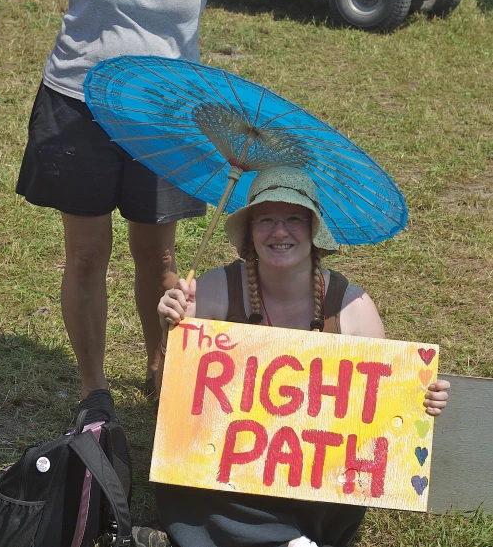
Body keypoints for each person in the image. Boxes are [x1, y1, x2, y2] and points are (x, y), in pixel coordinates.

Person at [11, 0, 275, 422]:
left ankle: (161, 366)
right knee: (85, 254)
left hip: (163, 116)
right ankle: (92, 387)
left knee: (158, 258)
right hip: (80, 104)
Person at [139, 166, 450, 547]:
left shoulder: (352, 306)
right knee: (192, 481)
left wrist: (421, 400)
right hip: (226, 478)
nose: (280, 231)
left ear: (313, 230)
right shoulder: (211, 291)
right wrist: (173, 336)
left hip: (315, 483)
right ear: (251, 232)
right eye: (266, 220)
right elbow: (171, 403)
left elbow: (383, 415)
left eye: (294, 220)